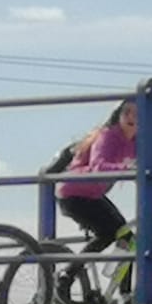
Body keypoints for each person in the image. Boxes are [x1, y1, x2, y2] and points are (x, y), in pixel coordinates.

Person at [54, 101, 141, 254]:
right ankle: (72, 269)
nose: (131, 117)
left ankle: (119, 272)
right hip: (74, 193)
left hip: (93, 195)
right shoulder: (107, 136)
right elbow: (98, 167)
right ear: (118, 115)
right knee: (108, 233)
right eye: (126, 112)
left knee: (127, 238)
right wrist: (127, 169)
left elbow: (146, 168)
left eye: (136, 113)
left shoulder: (136, 143)